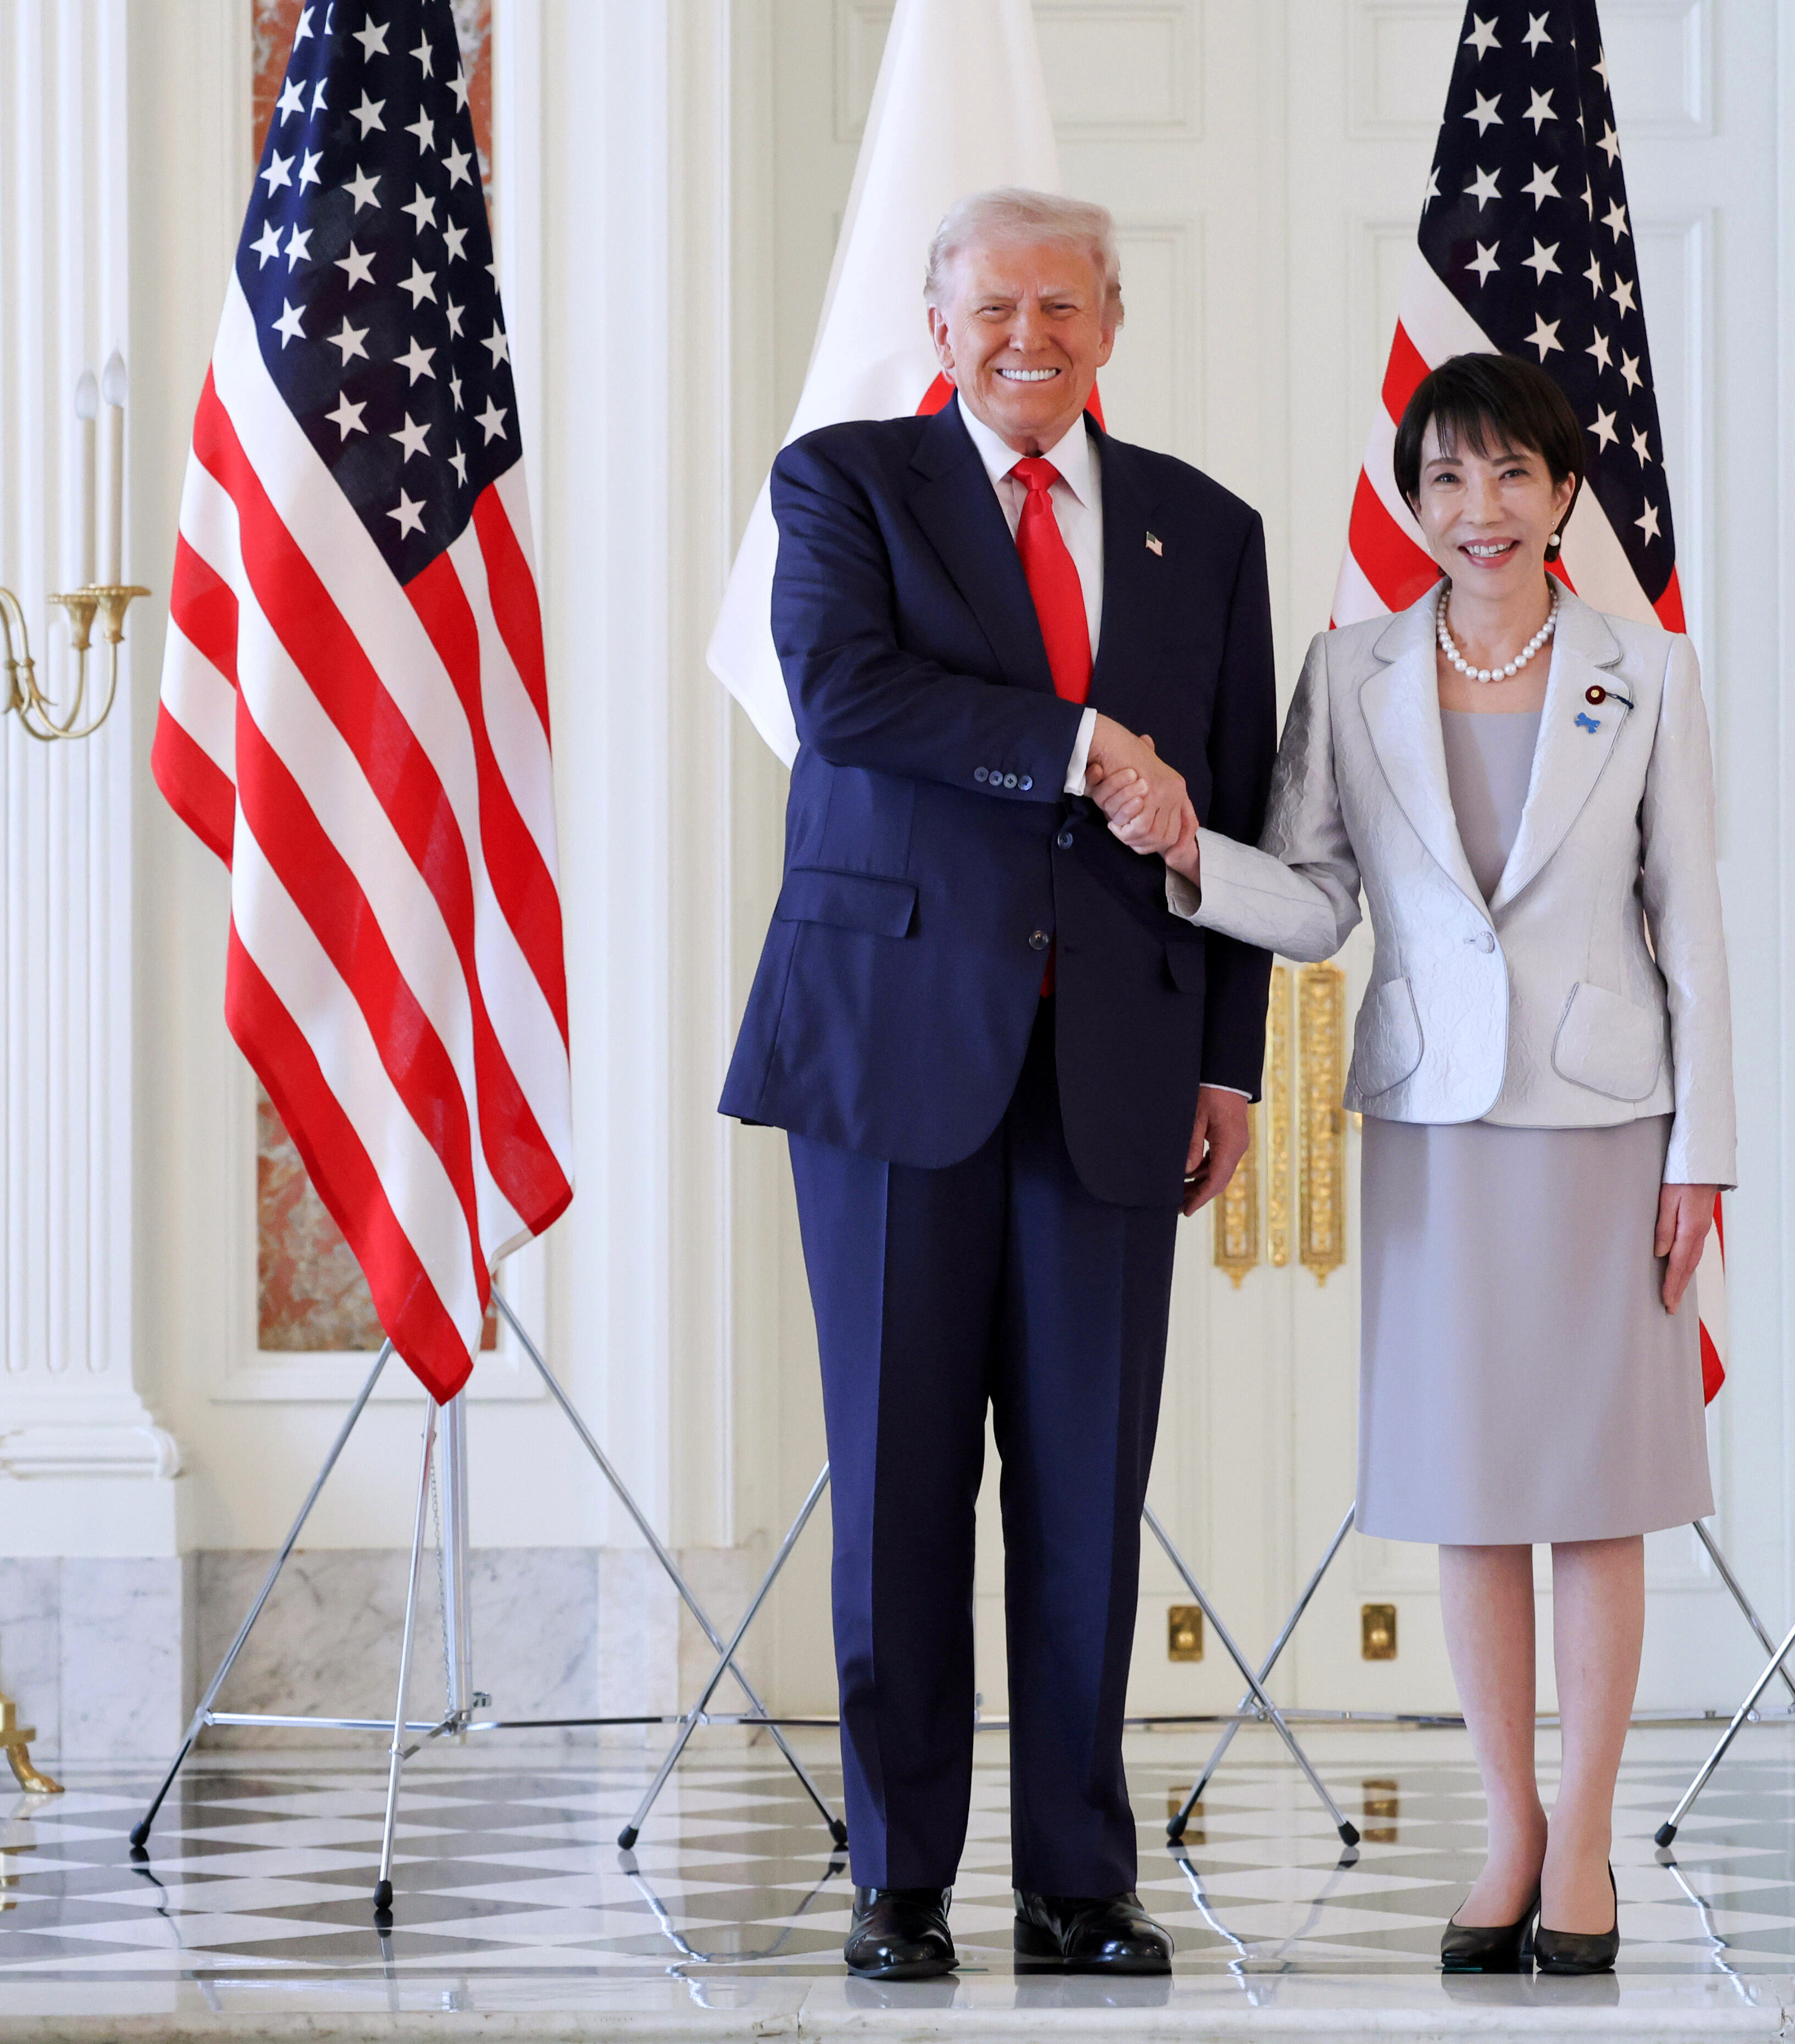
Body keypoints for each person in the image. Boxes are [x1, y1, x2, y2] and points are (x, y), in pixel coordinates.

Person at [1094, 352, 1730, 1976]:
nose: (1479, 509)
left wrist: (1704, 1152)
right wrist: (1186, 854)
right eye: (1445, 480)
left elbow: (1695, 925)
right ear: (1411, 501)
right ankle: (1504, 1829)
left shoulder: (1642, 668)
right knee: (1468, 1491)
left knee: (1595, 1499)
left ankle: (1584, 1841)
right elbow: (1315, 901)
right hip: (1437, 1131)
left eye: (1511, 475)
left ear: (1562, 490)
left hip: (1604, 1129)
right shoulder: (1351, 670)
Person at [720, 187, 1276, 1981]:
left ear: (1111, 320)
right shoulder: (844, 484)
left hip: (1117, 1065)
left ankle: (1075, 1881)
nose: (1025, 337)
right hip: (890, 1056)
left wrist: (1227, 1062)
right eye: (991, 309)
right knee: (895, 1485)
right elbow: (843, 691)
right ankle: (898, 1885)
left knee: (1084, 1490)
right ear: (937, 321)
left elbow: (1240, 817)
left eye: (1059, 305)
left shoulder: (1207, 530)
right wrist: (1082, 744)